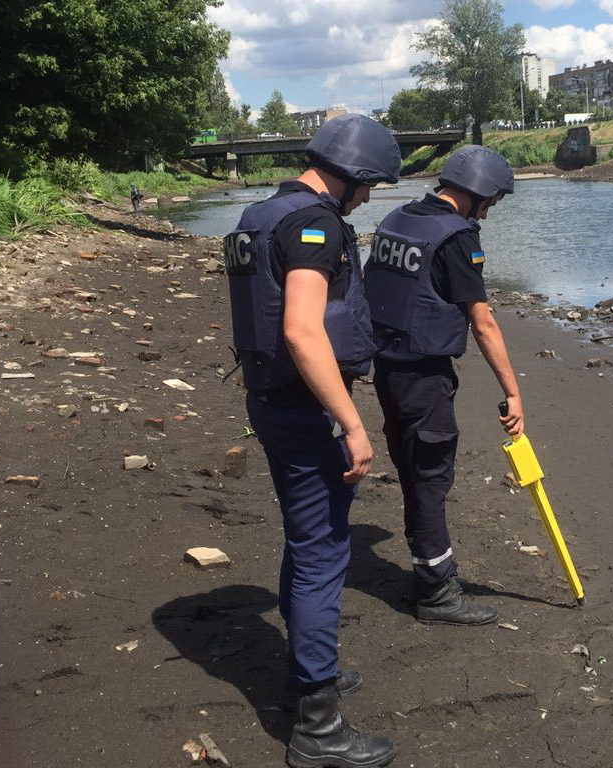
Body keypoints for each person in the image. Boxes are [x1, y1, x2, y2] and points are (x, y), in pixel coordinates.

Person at [223, 113, 400, 768]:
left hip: (271, 401)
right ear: (351, 173)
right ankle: (319, 727)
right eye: (371, 184)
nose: (371, 196)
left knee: (308, 541)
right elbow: (302, 330)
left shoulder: (263, 214)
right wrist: (353, 423)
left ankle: (307, 673)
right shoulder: (313, 224)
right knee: (325, 551)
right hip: (301, 410)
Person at [363, 145, 523, 626]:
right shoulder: (456, 238)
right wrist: (513, 391)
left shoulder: (399, 217)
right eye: (492, 202)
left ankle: (425, 569)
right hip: (423, 377)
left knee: (414, 471)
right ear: (477, 195)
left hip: (387, 367)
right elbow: (483, 322)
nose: (490, 212)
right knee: (430, 475)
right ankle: (435, 590)